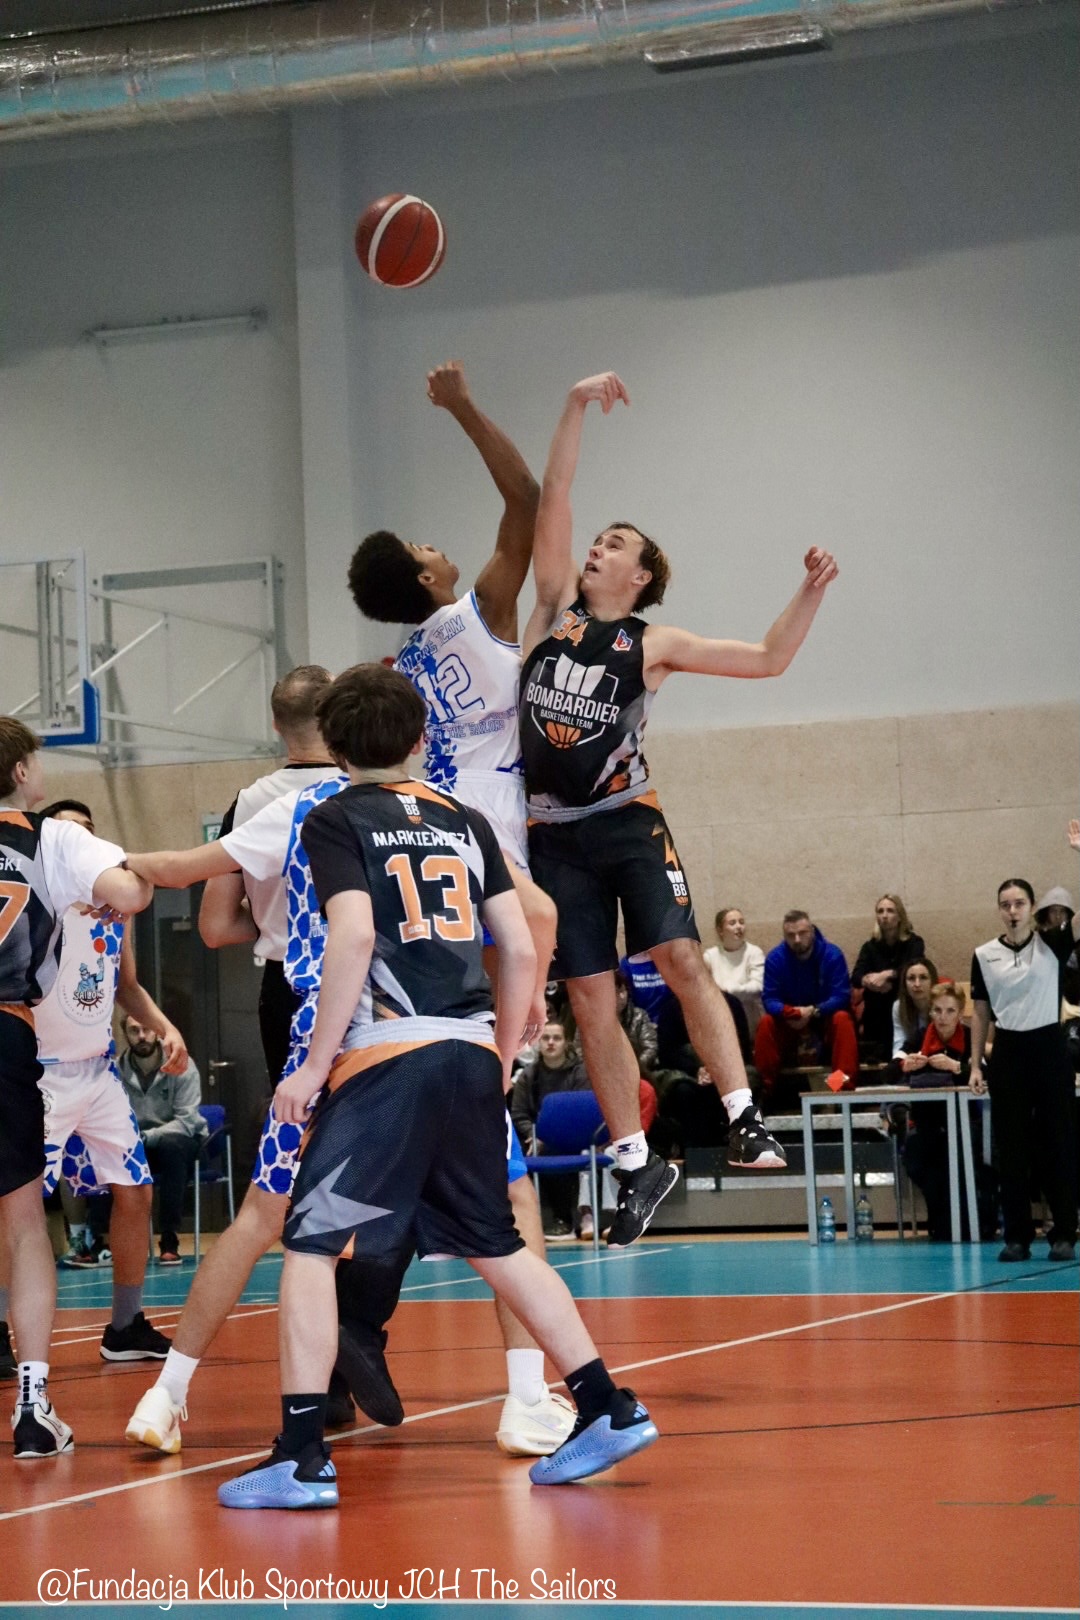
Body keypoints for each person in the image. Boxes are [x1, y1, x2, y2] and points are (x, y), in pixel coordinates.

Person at [217, 663, 658, 1507]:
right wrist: (508, 1040)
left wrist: (310, 1066)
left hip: (387, 1054)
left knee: (310, 1247)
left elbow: (352, 938)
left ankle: (301, 1454)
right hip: (467, 1051)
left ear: (334, 747)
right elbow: (521, 945)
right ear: (422, 739)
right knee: (499, 1245)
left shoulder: (336, 817)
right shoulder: (464, 818)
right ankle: (607, 1403)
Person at [124, 745, 573, 1459]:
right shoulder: (450, 811)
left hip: (318, 1023)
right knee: (510, 1205)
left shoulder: (296, 807)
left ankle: (167, 1392)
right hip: (427, 1029)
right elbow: (538, 915)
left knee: (265, 1217)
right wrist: (524, 1015)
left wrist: (111, 864)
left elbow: (192, 887)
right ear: (417, 740)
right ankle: (526, 1397)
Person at [519, 372, 838, 1243]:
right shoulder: (549, 612)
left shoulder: (653, 642)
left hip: (627, 821)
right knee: (589, 1000)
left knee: (680, 957)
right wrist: (573, 403)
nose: (596, 548)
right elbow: (556, 491)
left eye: (614, 544)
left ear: (643, 573)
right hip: (553, 835)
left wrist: (811, 590)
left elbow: (768, 659)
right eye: (597, 539)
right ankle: (635, 1164)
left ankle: (744, 1118)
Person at [347, 361, 555, 1039]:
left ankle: (490, 1062)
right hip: (487, 801)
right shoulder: (482, 610)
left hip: (437, 801)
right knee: (528, 948)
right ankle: (517, 1042)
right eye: (422, 547)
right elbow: (525, 496)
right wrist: (463, 407)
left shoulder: (406, 660)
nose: (433, 545)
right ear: (426, 577)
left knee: (484, 974)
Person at [0, 717, 151, 1458]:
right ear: (23, 772)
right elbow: (130, 890)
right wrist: (133, 873)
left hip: (83, 1061)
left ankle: (126, 1324)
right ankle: (32, 1408)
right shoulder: (51, 839)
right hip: (9, 1031)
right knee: (25, 1223)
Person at [21, 799, 184, 1367]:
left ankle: (125, 1325)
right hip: (40, 1073)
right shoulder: (37, 895)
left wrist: (166, 1027)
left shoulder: (117, 907)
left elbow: (127, 985)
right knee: (17, 1209)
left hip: (98, 1071)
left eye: (88, 833)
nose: (80, 843)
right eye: (69, 833)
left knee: (136, 1191)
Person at [197, 665, 338, 1088]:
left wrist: (275, 920)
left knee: (297, 1118)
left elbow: (215, 927)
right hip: (367, 978)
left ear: (275, 724)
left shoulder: (249, 803)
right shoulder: (366, 792)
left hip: (286, 984)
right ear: (339, 715)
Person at [970, 852, 1080, 1265]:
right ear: (999, 911)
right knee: (1012, 1149)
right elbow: (980, 1011)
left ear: (1032, 908)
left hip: (1049, 1048)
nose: (1012, 911)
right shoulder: (984, 954)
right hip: (1009, 1052)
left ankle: (1064, 1233)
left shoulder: (1053, 944)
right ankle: (1017, 1236)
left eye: (1019, 903)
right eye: (1005, 905)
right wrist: (975, 1063)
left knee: (1058, 1143)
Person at [754, 911, 859, 1107]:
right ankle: (765, 1093)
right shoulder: (776, 958)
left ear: (811, 931)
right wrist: (792, 1013)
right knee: (766, 1024)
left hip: (823, 1020)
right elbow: (770, 999)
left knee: (842, 1020)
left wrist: (813, 1011)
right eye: (791, 935)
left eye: (802, 933)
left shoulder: (832, 954)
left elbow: (841, 995)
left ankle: (840, 1090)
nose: (797, 939)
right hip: (790, 1023)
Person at [895, 981, 973, 1241]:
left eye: (950, 1011)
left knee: (957, 1156)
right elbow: (890, 1068)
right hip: (926, 1124)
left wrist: (957, 1067)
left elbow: (986, 1074)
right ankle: (941, 1223)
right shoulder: (919, 1038)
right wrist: (905, 1066)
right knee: (916, 1156)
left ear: (960, 1014)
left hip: (965, 1124)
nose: (943, 1017)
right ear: (930, 1012)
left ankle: (959, 1224)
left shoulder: (970, 1038)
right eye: (937, 1010)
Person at [511, 1021, 592, 1238]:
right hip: (535, 1138)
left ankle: (564, 1220)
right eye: (545, 1038)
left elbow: (581, 1111)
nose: (550, 1043)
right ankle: (516, 1221)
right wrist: (533, 1135)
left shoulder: (580, 1073)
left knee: (552, 1151)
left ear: (566, 1043)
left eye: (556, 1038)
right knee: (513, 1153)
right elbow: (519, 1114)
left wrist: (547, 1136)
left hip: (574, 1135)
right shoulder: (528, 1075)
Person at [849, 895, 925, 1062]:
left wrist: (887, 975)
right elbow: (856, 976)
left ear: (900, 916)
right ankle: (878, 1056)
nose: (884, 915)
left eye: (890, 911)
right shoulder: (869, 946)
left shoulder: (914, 942)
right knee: (875, 1006)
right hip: (877, 1005)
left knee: (900, 1000)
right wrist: (870, 982)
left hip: (904, 1001)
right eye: (880, 911)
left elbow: (913, 967)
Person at [702, 908, 765, 1037]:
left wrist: (726, 990)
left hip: (749, 1021)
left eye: (741, 922)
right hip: (721, 1023)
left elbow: (758, 987)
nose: (739, 926)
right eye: (732, 923)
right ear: (720, 930)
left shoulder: (754, 952)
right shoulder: (710, 956)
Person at [889, 956, 938, 1069]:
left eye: (923, 978)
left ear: (932, 981)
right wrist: (898, 1063)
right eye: (911, 978)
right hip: (911, 1058)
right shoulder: (898, 1006)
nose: (917, 984)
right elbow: (899, 1042)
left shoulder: (943, 1004)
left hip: (939, 1057)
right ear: (904, 984)